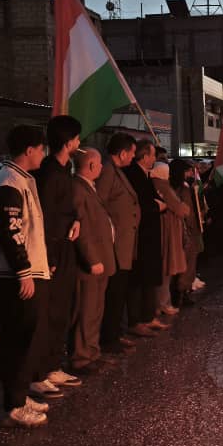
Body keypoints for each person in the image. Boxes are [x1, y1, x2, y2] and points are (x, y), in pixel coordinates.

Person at [0, 125, 51, 428]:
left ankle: (20, 396)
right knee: (17, 340)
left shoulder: (20, 180)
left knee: (25, 337)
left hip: (25, 273)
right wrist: (23, 271)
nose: (43, 154)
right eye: (41, 149)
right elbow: (10, 232)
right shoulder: (8, 183)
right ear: (29, 150)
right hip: (14, 276)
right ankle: (13, 404)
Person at [29, 116, 83, 399]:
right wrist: (48, 257)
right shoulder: (49, 174)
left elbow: (66, 211)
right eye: (76, 138)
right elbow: (47, 219)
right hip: (53, 251)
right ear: (67, 142)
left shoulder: (63, 170)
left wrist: (75, 221)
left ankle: (53, 364)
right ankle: (42, 370)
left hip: (64, 246)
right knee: (51, 312)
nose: (79, 143)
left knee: (62, 309)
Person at [69, 148, 117, 375]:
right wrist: (92, 258)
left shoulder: (89, 187)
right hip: (91, 262)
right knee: (86, 311)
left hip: (102, 258)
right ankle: (81, 357)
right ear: (90, 165)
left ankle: (92, 352)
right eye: (98, 164)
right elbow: (81, 228)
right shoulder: (77, 189)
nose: (101, 168)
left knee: (96, 309)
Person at [96, 133, 140, 354]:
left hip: (123, 244)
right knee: (113, 294)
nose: (133, 157)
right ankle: (109, 338)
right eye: (132, 153)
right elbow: (99, 205)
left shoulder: (117, 171)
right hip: (114, 245)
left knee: (119, 292)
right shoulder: (107, 172)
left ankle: (115, 333)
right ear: (122, 153)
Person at [121, 139, 169, 336]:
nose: (154, 159)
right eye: (152, 155)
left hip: (150, 234)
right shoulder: (133, 175)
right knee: (138, 280)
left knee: (148, 278)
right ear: (145, 156)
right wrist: (158, 206)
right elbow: (140, 203)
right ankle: (136, 320)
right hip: (140, 235)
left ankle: (148, 317)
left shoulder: (145, 175)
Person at [151, 161, 188, 316]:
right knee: (166, 269)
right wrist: (184, 207)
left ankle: (160, 303)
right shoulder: (163, 187)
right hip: (168, 232)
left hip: (165, 230)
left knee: (164, 269)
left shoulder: (155, 185)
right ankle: (163, 303)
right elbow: (180, 209)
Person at [172, 160, 203, 307]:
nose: (191, 174)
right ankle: (180, 293)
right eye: (188, 171)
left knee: (188, 263)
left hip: (187, 230)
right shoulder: (180, 189)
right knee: (185, 263)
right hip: (186, 231)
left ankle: (182, 291)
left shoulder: (185, 187)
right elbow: (186, 211)